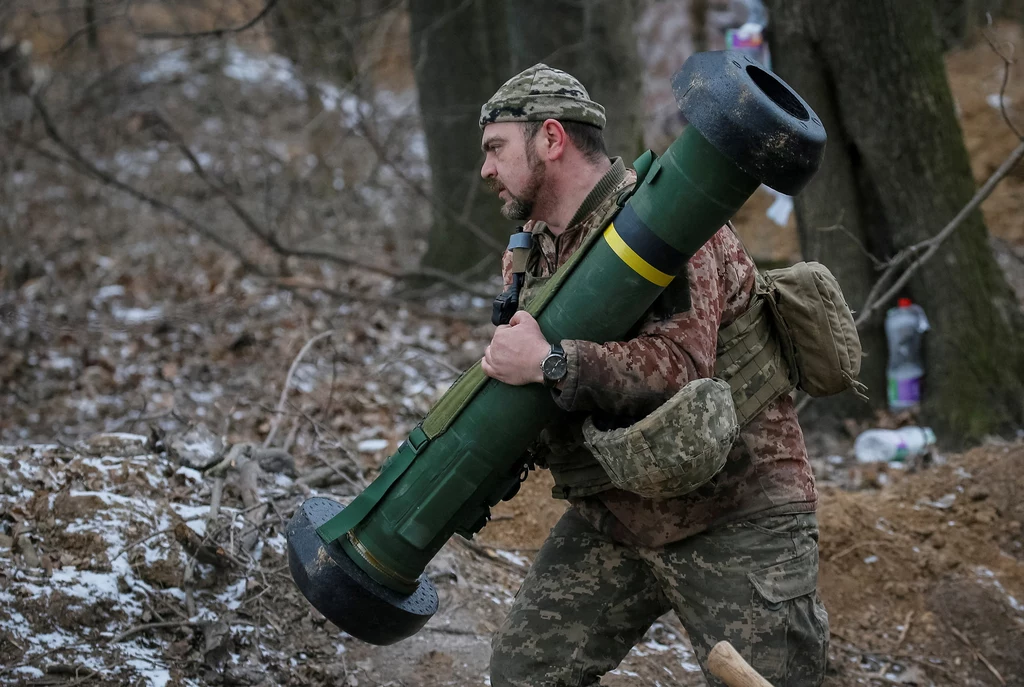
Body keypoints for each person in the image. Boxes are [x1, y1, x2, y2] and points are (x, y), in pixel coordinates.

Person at [477, 63, 828, 687]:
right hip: (616, 516)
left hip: (736, 513)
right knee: (524, 674)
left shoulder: (669, 219)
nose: (486, 170)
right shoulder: (536, 249)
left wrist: (551, 362)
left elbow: (679, 367)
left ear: (551, 139)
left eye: (496, 148)